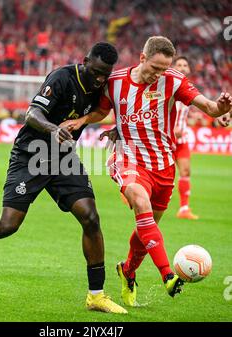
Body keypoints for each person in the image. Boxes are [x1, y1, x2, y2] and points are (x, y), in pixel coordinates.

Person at [0, 42, 127, 314]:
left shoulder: (101, 85)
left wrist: (115, 128)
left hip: (62, 158)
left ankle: (96, 295)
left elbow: (103, 110)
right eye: (95, 72)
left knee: (90, 217)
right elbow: (32, 114)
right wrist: (53, 129)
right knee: (8, 225)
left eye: (104, 75)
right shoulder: (61, 78)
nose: (99, 79)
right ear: (85, 61)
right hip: (31, 155)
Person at [60, 36, 232, 307]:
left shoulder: (173, 80)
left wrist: (219, 109)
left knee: (146, 228)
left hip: (164, 165)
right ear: (142, 58)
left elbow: (209, 107)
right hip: (127, 159)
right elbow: (101, 111)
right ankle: (167, 275)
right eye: (155, 68)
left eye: (164, 69)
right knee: (141, 204)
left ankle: (128, 271)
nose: (158, 74)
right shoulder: (115, 82)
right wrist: (82, 120)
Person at [173, 56, 198, 220]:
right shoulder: (168, 86)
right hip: (165, 139)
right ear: (173, 68)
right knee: (159, 176)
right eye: (179, 65)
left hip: (181, 140)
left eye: (185, 65)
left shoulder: (190, 89)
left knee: (186, 171)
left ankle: (184, 209)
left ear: (189, 69)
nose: (182, 67)